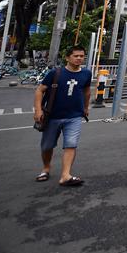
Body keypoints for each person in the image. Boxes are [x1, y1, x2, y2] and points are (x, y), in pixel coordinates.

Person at [34, 45, 91, 186]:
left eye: (82, 56)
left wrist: (85, 107)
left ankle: (65, 175)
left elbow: (87, 91)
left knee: (71, 144)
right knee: (47, 146)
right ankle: (46, 168)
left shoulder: (86, 74)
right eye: (76, 56)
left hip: (74, 116)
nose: (79, 58)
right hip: (53, 116)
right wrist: (38, 110)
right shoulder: (56, 73)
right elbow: (40, 90)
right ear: (67, 57)